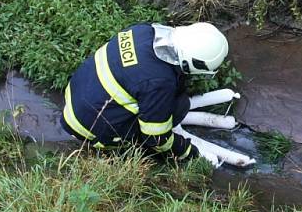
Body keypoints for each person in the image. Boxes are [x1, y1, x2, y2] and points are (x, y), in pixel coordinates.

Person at [60, 22, 228, 161]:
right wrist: (188, 152)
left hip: (76, 97)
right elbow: (156, 138)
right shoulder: (158, 82)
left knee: (173, 99)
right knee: (177, 108)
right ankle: (121, 147)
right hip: (90, 130)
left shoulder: (143, 31)